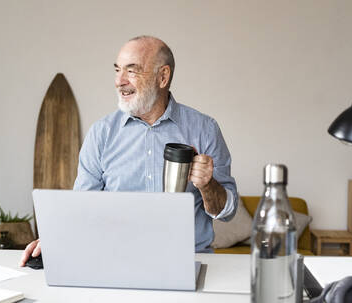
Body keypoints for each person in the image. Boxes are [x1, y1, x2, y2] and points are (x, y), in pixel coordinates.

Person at [20, 36, 237, 266]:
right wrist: (54, 238)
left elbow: (227, 212)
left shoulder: (205, 129)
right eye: (117, 70)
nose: (119, 81)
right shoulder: (101, 134)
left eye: (131, 71)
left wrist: (207, 185)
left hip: (188, 260)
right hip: (116, 262)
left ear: (163, 77)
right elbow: (82, 208)